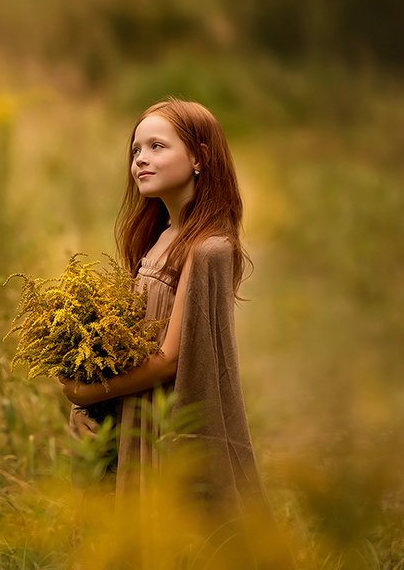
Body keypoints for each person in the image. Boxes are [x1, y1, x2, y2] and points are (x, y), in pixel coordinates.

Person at [60, 97, 265, 512]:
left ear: (199, 157)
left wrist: (86, 389)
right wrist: (94, 399)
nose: (140, 160)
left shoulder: (208, 247)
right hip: (138, 411)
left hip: (167, 420)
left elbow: (171, 360)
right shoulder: (160, 236)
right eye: (136, 150)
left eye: (157, 147)